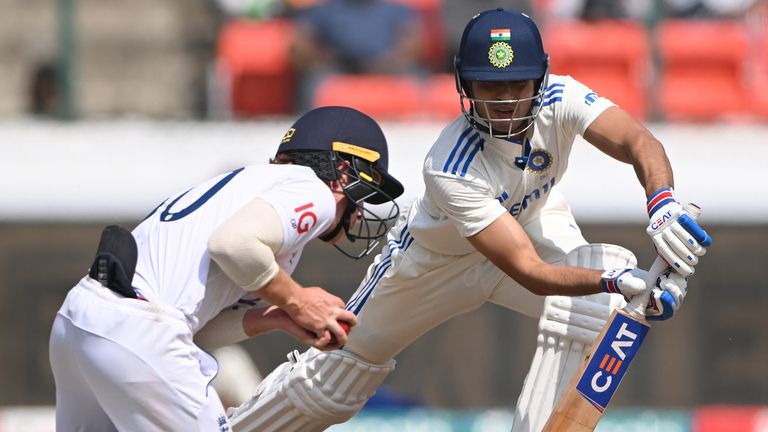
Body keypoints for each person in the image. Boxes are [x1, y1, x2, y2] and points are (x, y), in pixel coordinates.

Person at [227, 9, 712, 432]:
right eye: (489, 85)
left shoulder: (564, 98)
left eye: (515, 84)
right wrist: (614, 280)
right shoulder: (449, 166)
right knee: (333, 373)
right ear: (465, 84)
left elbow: (639, 142)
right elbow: (528, 271)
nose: (503, 101)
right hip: (434, 262)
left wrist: (663, 204)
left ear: (540, 80)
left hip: (531, 223)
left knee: (603, 311)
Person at [48, 105, 404, 431]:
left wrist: (276, 316)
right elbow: (232, 244)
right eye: (367, 186)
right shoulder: (314, 191)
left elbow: (197, 329)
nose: (361, 209)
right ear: (343, 169)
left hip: (78, 322)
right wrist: (299, 301)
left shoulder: (250, 187)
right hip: (138, 329)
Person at [290, 0, 426, 111]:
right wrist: (322, 59)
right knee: (313, 82)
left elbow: (413, 44)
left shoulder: (396, 10)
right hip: (339, 67)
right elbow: (302, 42)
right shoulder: (324, 9)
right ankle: (308, 131)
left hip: (388, 66)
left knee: (418, 80)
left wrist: (388, 62)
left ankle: (422, 131)